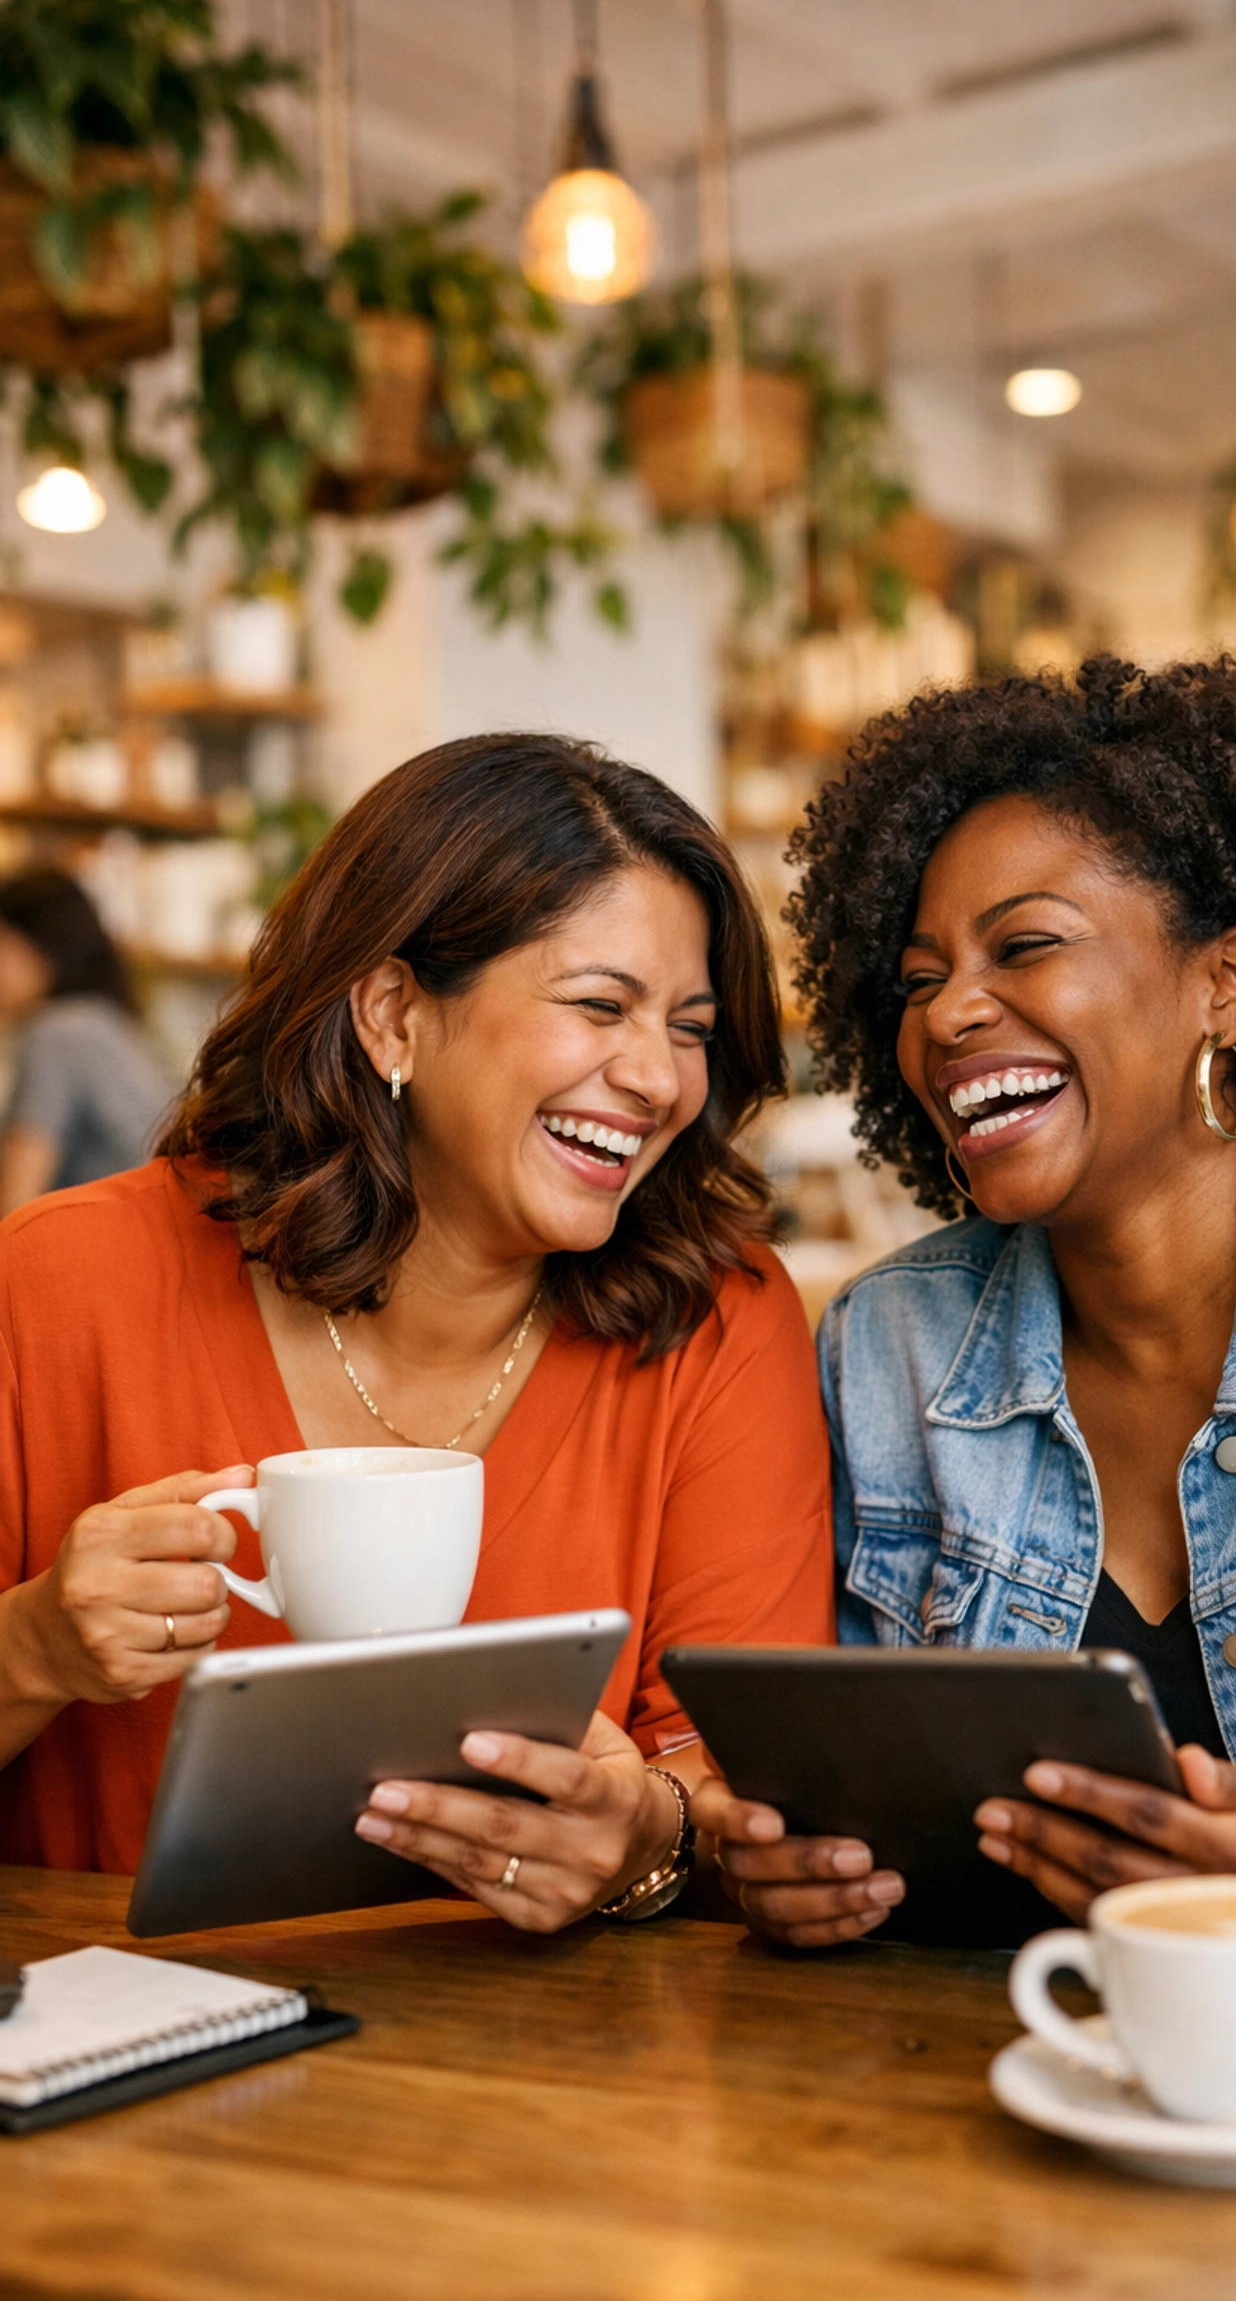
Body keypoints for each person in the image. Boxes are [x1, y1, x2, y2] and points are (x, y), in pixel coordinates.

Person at [697, 655, 1236, 1991]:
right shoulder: (888, 1348)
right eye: (917, 981)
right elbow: (833, 1805)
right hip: (1003, 2104)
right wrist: (785, 1870)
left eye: (1024, 946)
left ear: (1230, 986)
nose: (951, 1014)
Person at [0, 734, 832, 1930]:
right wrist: (35, 1647)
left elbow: (751, 1789)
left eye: (690, 1028)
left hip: (547, 2078)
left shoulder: (716, 1317)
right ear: (394, 1015)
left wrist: (645, 1835)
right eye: (600, 1005)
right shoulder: (63, 1281)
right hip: (116, 2058)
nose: (658, 1079)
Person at [0, 868, 174, 1214]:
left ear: (41, 948)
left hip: (100, 1254)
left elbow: (15, 1204)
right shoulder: (105, 1023)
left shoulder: (59, 1032)